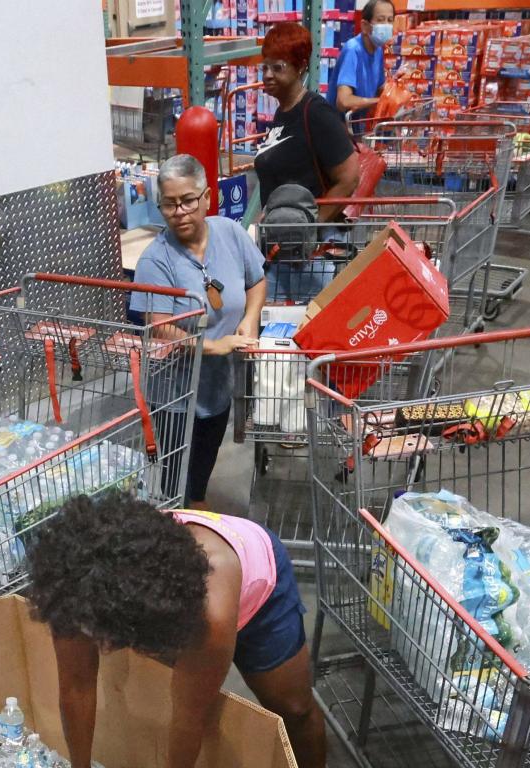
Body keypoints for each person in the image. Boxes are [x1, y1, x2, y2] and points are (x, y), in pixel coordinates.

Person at [26, 492, 355, 768]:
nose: (101, 650)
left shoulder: (208, 608)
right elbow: (76, 685)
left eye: (104, 637)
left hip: (258, 591)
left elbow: (189, 714)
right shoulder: (75, 587)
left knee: (293, 706)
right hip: (166, 607)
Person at [132, 154, 266, 508]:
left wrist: (251, 318)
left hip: (217, 385)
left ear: (207, 197)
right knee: (179, 477)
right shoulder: (155, 260)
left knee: (204, 463)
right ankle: (186, 527)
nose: (180, 212)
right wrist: (213, 345)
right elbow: (159, 327)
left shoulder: (230, 233)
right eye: (169, 204)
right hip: (174, 393)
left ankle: (198, 507)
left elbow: (256, 281)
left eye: (188, 200)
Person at [254, 22, 361, 301]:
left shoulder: (315, 112)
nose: (267, 75)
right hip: (283, 249)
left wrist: (310, 229)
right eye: (264, 67)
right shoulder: (281, 115)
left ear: (300, 67)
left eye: (278, 67)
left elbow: (349, 177)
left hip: (311, 256)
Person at [328, 0, 396, 133]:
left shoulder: (378, 50)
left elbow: (379, 88)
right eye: (381, 20)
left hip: (357, 130)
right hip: (337, 132)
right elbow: (343, 101)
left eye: (390, 20)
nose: (386, 25)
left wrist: (396, 92)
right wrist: (379, 101)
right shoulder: (353, 50)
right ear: (365, 26)